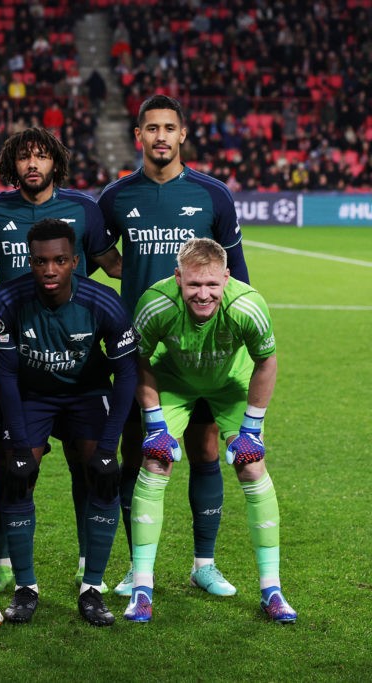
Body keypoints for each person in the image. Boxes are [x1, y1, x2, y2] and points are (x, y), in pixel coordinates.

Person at [97, 94, 249, 597]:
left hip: (199, 351)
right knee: (140, 453)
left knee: (205, 450)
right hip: (138, 353)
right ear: (138, 136)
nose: (161, 137)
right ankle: (137, 567)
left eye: (169, 128)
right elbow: (100, 252)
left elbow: (236, 278)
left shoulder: (213, 195)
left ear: (183, 135)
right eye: (152, 128)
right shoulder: (116, 197)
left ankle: (203, 564)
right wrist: (133, 275)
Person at [0, 126, 121, 593]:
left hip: (75, 353)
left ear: (56, 162)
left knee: (89, 464)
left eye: (40, 157)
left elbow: (110, 262)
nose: (32, 165)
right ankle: (3, 562)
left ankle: (86, 562)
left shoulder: (83, 209)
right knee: (9, 464)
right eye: (23, 158)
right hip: (16, 353)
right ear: (11, 165)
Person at [124, 238, 295, 624]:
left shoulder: (248, 304)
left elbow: (266, 362)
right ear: (178, 277)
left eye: (212, 285)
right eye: (194, 285)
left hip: (231, 384)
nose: (203, 295)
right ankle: (141, 588)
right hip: (174, 382)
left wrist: (251, 428)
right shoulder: (156, 303)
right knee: (156, 460)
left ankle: (272, 589)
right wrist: (154, 423)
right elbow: (138, 359)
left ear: (227, 278)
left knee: (252, 466)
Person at [0, 219, 135, 626]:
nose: (49, 270)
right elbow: (6, 375)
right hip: (31, 396)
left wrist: (108, 449)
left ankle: (92, 588)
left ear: (75, 261)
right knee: (16, 476)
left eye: (59, 261)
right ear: (30, 261)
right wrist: (18, 446)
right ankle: (25, 587)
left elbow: (125, 376)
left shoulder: (104, 302)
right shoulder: (5, 300)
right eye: (40, 261)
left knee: (104, 477)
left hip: (86, 395)